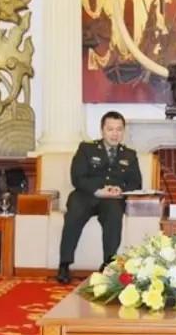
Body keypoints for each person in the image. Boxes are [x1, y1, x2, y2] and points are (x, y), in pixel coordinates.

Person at [56, 111, 142, 284]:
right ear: (102, 130)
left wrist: (120, 189)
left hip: (112, 199)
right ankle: (64, 264)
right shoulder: (86, 149)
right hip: (86, 194)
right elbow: (77, 177)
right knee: (74, 214)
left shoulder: (130, 154)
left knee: (114, 215)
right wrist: (97, 190)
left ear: (123, 131)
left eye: (119, 129)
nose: (115, 134)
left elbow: (136, 183)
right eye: (110, 129)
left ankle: (108, 264)